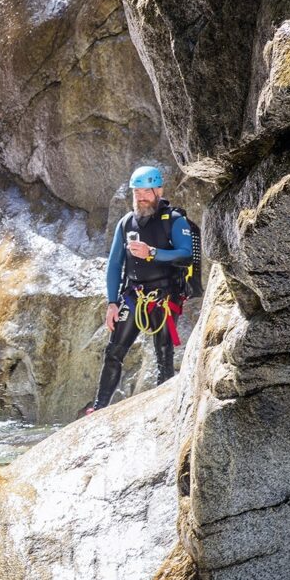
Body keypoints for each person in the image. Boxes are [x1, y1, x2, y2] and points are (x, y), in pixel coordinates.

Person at [86, 166, 194, 414]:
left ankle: (166, 408)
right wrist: (112, 302)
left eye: (146, 191)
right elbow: (114, 265)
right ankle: (99, 407)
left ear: (159, 190)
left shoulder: (174, 220)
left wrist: (152, 253)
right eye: (137, 192)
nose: (141, 197)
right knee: (114, 351)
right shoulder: (126, 223)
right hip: (134, 296)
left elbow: (186, 254)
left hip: (165, 296)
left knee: (164, 351)